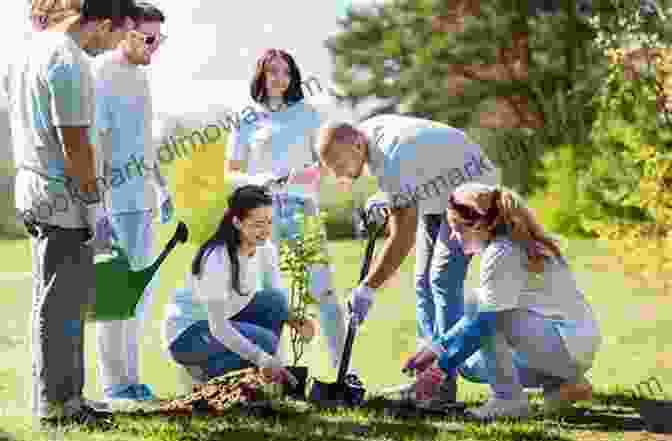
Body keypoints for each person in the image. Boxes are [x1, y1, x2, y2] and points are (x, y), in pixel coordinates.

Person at [2, 0, 138, 426]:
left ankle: (68, 398)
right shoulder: (70, 60)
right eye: (119, 34)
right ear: (101, 24)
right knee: (61, 307)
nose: (116, 44)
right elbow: (75, 145)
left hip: (35, 190)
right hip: (63, 200)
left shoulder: (29, 50)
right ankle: (59, 408)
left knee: (59, 302)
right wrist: (94, 208)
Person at [315, 115, 500, 407]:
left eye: (340, 165)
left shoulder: (391, 156)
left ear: (357, 144)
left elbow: (402, 236)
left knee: (441, 279)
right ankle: (427, 379)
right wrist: (386, 197)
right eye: (333, 169)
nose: (339, 174)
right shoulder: (369, 135)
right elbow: (412, 175)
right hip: (438, 193)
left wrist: (368, 288)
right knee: (422, 282)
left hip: (473, 192)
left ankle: (442, 380)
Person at [402, 183, 602, 420]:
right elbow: (477, 319)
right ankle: (563, 384)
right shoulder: (511, 243)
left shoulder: (502, 252)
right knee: (474, 353)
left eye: (457, 229)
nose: (454, 238)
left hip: (566, 345)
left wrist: (437, 371)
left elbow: (485, 322)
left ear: (478, 224)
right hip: (571, 346)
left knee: (484, 315)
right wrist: (436, 347)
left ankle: (510, 400)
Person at [225, 49, 358, 381]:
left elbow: (325, 166)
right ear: (261, 75)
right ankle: (277, 373)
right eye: (272, 71)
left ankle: (344, 372)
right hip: (262, 215)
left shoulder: (309, 115)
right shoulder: (246, 117)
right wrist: (259, 181)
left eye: (285, 72)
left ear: (293, 76)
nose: (279, 78)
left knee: (323, 291)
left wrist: (300, 178)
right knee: (272, 296)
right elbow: (231, 171)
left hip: (302, 210)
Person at [90, 1, 174, 403]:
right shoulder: (102, 72)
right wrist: (101, 206)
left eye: (161, 39)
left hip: (142, 199)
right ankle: (114, 385)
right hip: (116, 202)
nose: (155, 47)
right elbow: (99, 143)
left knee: (138, 298)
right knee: (114, 298)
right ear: (126, 30)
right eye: (149, 38)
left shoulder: (141, 76)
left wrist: (162, 185)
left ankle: (132, 380)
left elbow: (144, 140)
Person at [162, 184, 315, 386]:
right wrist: (262, 357)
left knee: (275, 302)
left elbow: (276, 300)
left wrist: (296, 319)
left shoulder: (264, 248)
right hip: (189, 335)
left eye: (269, 222)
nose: (266, 231)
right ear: (237, 222)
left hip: (223, 321)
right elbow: (218, 327)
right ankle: (205, 371)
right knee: (265, 342)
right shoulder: (217, 258)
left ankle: (256, 379)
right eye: (257, 224)